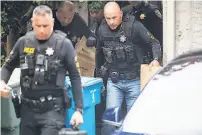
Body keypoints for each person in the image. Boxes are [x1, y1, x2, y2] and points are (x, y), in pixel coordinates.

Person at [0, 5, 83, 135]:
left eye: (46, 26)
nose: (42, 30)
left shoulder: (63, 44)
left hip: (53, 111)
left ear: (53, 22)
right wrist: (1, 82)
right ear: (33, 22)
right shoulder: (23, 42)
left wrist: (79, 110)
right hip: (27, 110)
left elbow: (75, 76)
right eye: (38, 26)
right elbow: (8, 66)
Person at [96, 2, 162, 135]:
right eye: (108, 18)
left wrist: (156, 59)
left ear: (121, 13)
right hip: (114, 82)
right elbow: (99, 54)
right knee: (110, 122)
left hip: (134, 80)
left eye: (114, 17)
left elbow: (154, 42)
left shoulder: (134, 26)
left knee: (134, 121)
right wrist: (98, 76)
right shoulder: (102, 30)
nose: (111, 22)